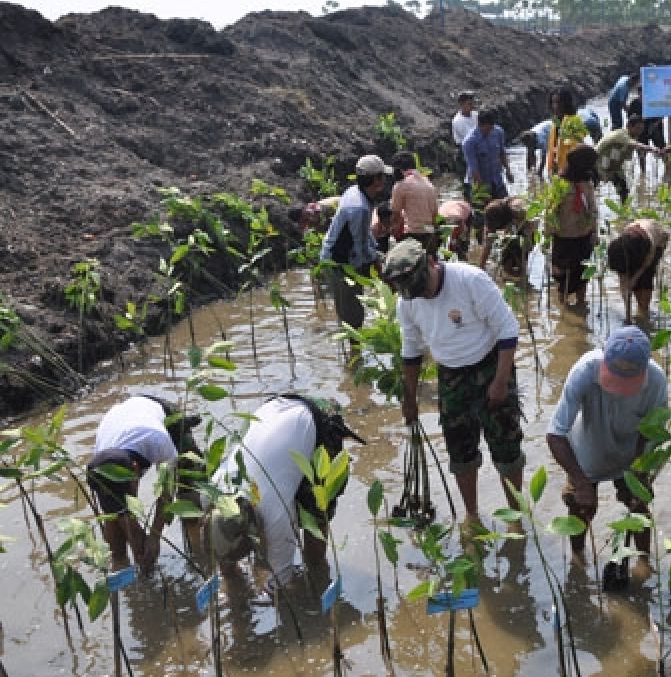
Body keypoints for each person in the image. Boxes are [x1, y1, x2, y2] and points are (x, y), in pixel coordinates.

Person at [383, 239, 525, 521]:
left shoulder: (470, 280)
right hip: (450, 376)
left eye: (423, 288)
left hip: (491, 365)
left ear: (432, 263)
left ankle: (515, 516)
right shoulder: (408, 302)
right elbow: (411, 351)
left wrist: (500, 382)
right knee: (460, 451)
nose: (422, 295)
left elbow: (507, 329)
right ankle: (471, 515)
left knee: (506, 446)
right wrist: (409, 399)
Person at [206, 395, 365, 590]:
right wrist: (231, 580)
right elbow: (223, 548)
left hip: (318, 425)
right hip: (274, 410)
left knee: (316, 515)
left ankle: (319, 574)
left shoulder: (276, 516)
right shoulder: (212, 491)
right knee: (229, 542)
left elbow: (280, 586)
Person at [547, 326, 667, 561]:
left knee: (639, 507)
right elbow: (555, 434)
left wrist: (640, 472)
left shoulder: (656, 381)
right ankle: (577, 561)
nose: (620, 389)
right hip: (587, 452)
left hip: (632, 454)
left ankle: (644, 563)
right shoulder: (585, 370)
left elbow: (653, 433)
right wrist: (580, 482)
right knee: (580, 508)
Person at [87, 395, 201, 572]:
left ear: (135, 470)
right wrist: (135, 534)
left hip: (164, 418)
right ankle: (120, 566)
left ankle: (198, 556)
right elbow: (116, 512)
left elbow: (166, 492)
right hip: (121, 421)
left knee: (190, 495)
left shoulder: (158, 441)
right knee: (115, 514)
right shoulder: (101, 460)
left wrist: (154, 536)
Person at [320, 154, 391, 339]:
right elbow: (358, 249)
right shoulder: (358, 207)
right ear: (375, 179)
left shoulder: (357, 192)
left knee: (353, 307)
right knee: (353, 317)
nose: (385, 180)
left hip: (341, 254)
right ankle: (355, 356)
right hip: (340, 263)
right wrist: (376, 267)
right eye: (382, 176)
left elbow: (365, 234)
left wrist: (376, 253)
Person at [551, 146, 599, 304]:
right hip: (564, 237)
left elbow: (593, 210)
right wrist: (548, 233)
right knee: (563, 277)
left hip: (583, 236)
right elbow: (551, 210)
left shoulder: (587, 183)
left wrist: (595, 232)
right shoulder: (560, 184)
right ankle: (563, 310)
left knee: (582, 275)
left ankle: (580, 305)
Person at [607, 217, 669, 318]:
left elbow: (646, 264)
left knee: (645, 280)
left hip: (657, 242)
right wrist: (627, 310)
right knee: (631, 282)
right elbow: (622, 275)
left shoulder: (649, 242)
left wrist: (635, 278)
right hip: (633, 249)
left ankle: (644, 310)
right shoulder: (621, 247)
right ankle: (635, 310)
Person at [595, 116, 657, 203]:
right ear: (629, 126)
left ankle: (624, 213)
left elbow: (628, 153)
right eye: (638, 128)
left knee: (624, 191)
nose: (640, 132)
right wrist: (653, 149)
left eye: (642, 129)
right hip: (597, 164)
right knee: (591, 190)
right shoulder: (621, 134)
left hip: (613, 166)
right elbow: (636, 145)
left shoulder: (632, 137)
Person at [390, 151, 439, 255]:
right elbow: (434, 214)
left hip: (413, 236)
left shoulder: (401, 185)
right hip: (430, 235)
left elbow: (395, 215)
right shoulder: (428, 183)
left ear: (398, 170)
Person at [462, 109, 513, 207]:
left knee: (507, 210)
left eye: (491, 128)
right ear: (479, 125)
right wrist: (484, 193)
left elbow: (502, 153)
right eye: (487, 129)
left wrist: (508, 171)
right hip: (479, 184)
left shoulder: (498, 132)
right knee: (481, 216)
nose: (489, 131)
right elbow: (474, 169)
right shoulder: (469, 142)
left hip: (497, 181)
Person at [479, 196, 532, 278]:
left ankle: (524, 279)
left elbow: (531, 224)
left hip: (525, 226)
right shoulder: (490, 213)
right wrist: (480, 268)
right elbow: (487, 244)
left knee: (521, 261)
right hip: (510, 227)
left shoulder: (517, 209)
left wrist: (523, 235)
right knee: (507, 267)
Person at [451, 91, 478, 199]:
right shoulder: (458, 121)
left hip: (476, 148)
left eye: (472, 103)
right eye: (469, 104)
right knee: (467, 184)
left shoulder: (475, 115)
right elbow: (470, 139)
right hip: (464, 151)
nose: (472, 106)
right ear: (461, 104)